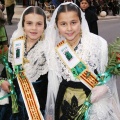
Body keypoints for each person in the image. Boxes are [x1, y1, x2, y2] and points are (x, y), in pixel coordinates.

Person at [45, 2, 120, 120]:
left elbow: (108, 74)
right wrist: (51, 109)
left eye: (73, 23)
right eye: (63, 24)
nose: (69, 28)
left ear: (81, 21)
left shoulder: (98, 43)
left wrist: (105, 87)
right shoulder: (56, 50)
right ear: (57, 26)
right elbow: (53, 84)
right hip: (65, 104)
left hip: (94, 102)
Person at [0, 6, 48, 119]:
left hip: (38, 104)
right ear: (23, 25)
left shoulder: (48, 48)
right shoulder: (17, 43)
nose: (34, 28)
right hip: (15, 103)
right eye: (29, 23)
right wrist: (2, 80)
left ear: (45, 26)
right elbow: (8, 68)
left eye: (39, 24)